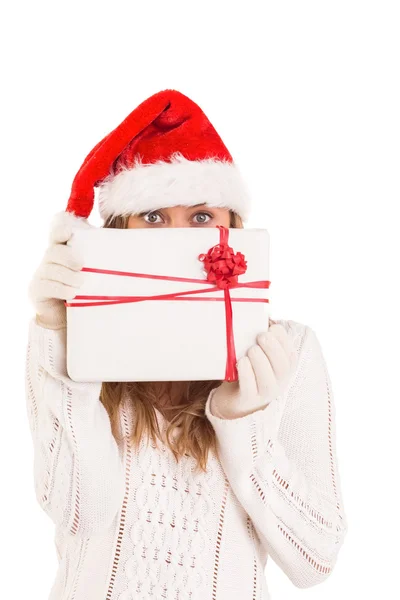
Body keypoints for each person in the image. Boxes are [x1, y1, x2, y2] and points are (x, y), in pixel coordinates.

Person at [25, 89, 348, 600]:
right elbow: (82, 513)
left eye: (201, 218)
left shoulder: (290, 351)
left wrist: (243, 424)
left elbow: (315, 558)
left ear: (231, 230)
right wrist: (60, 345)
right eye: (152, 216)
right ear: (119, 231)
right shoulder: (67, 343)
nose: (177, 239)